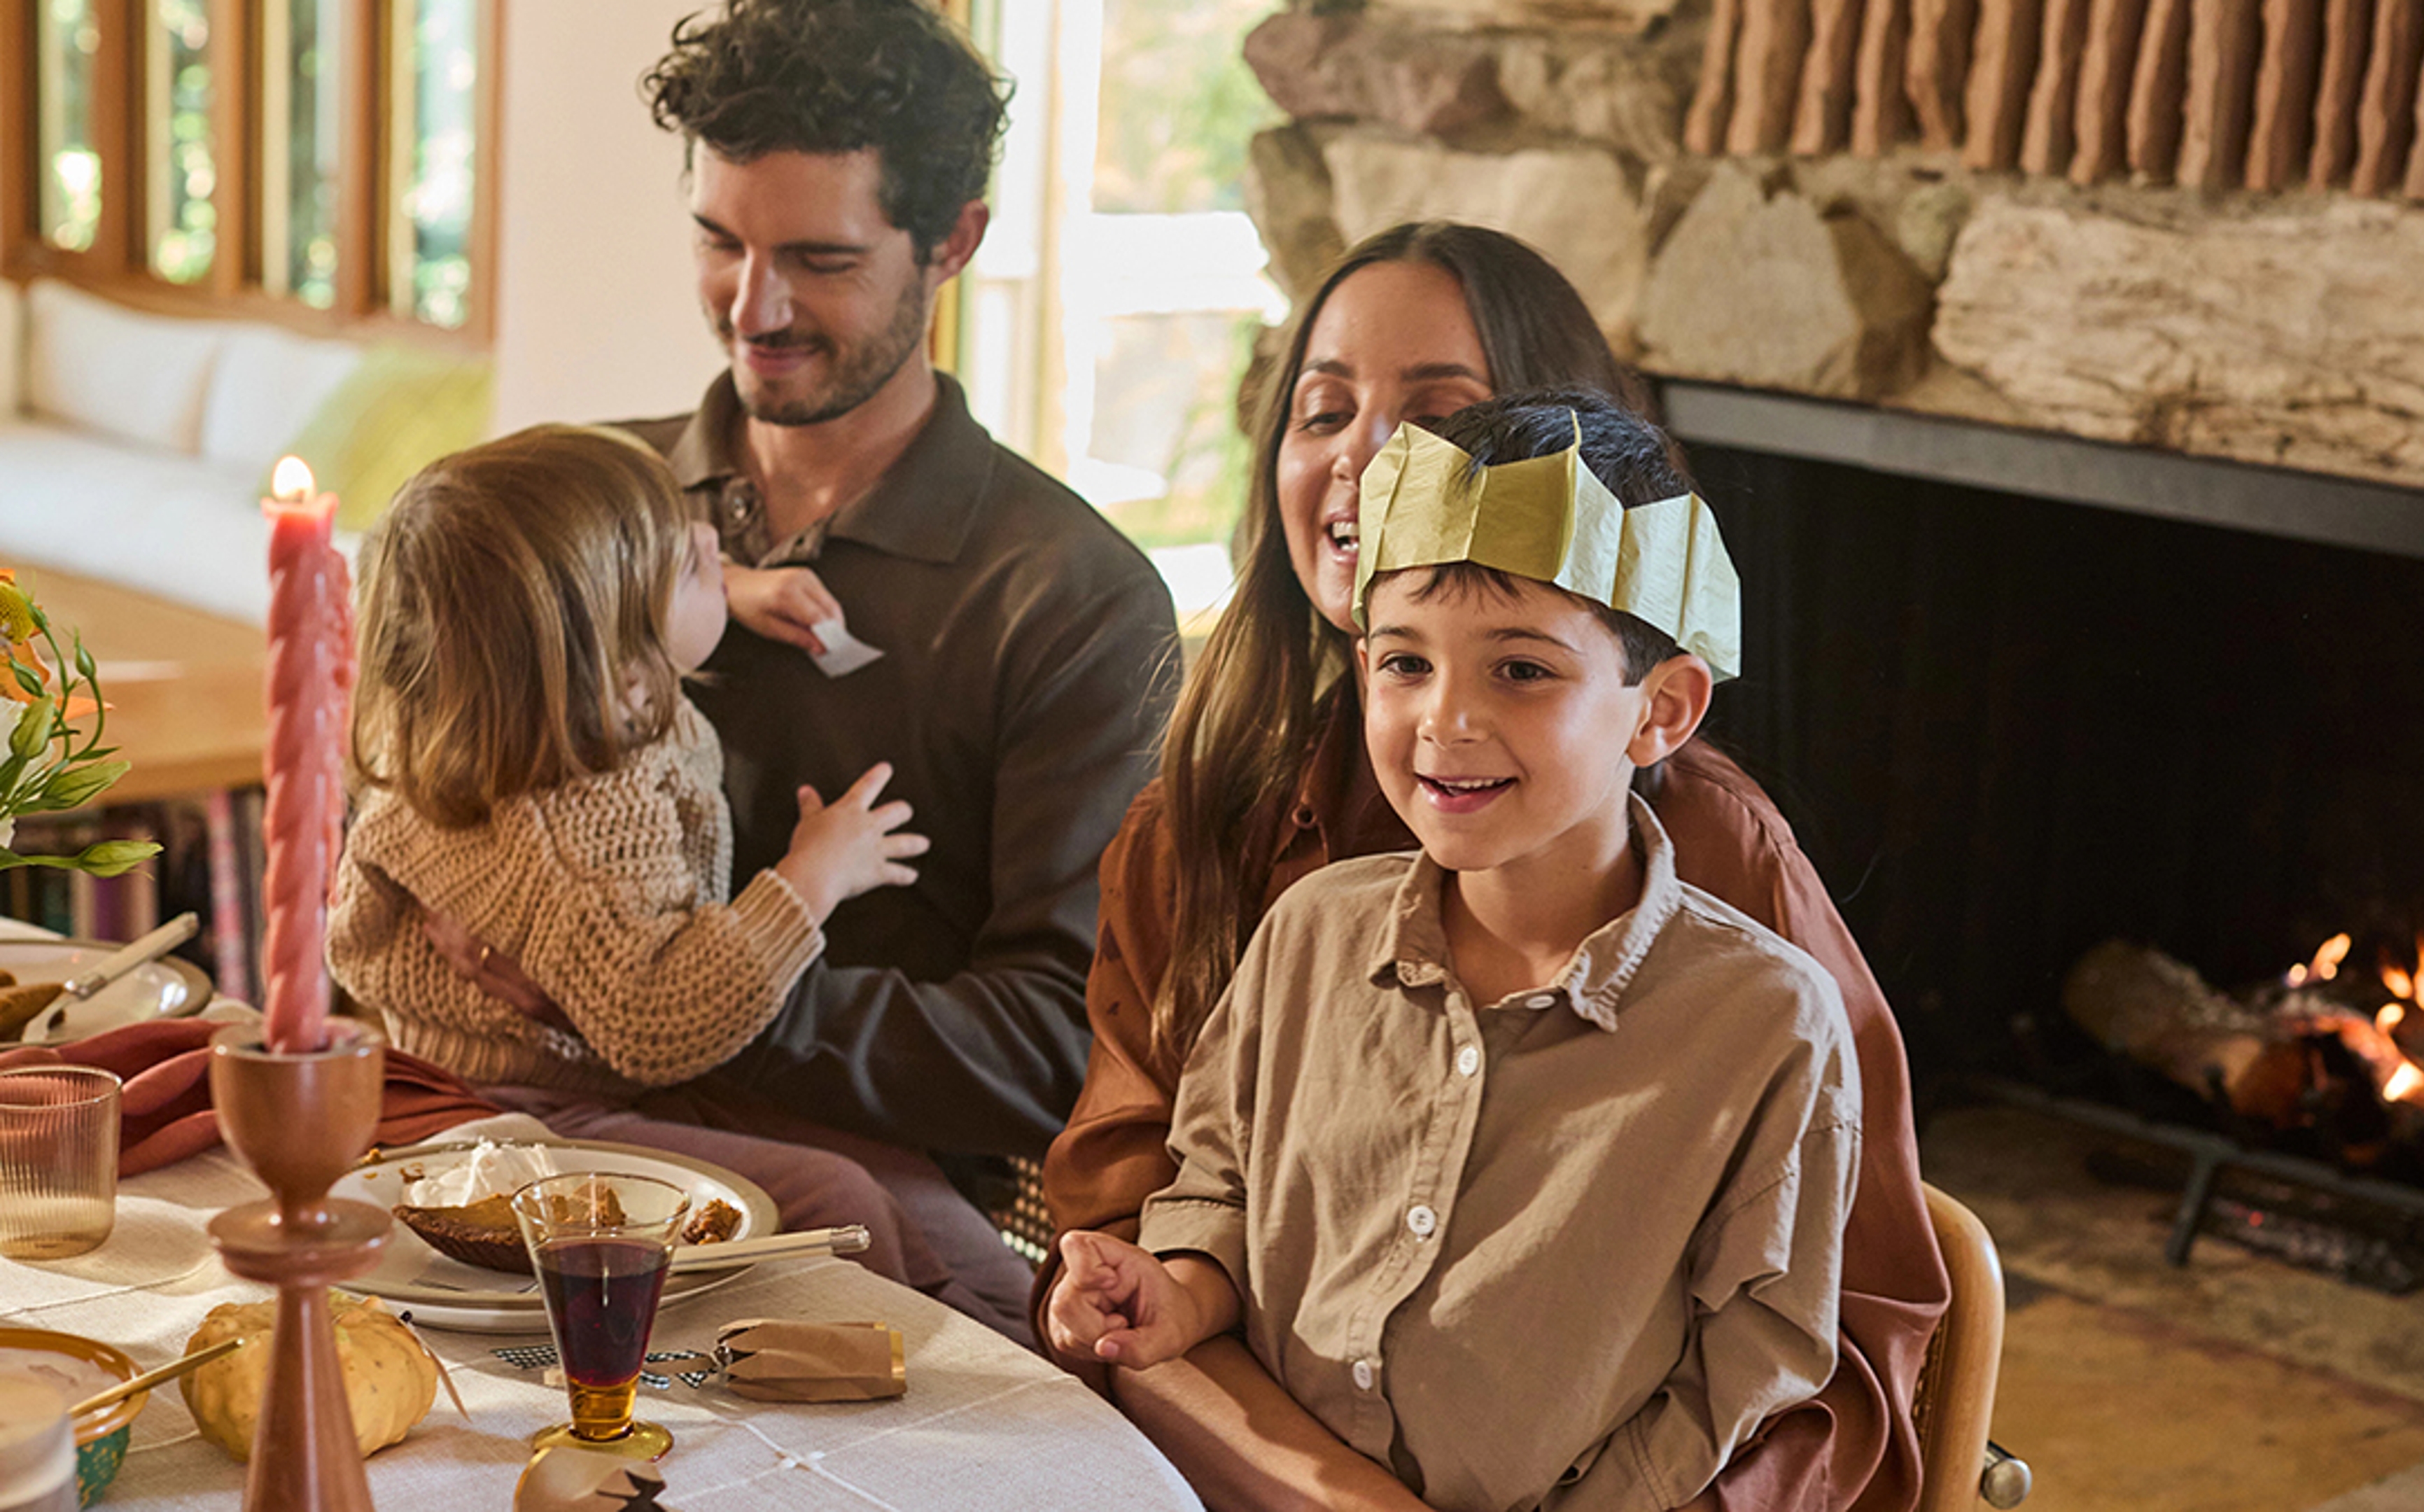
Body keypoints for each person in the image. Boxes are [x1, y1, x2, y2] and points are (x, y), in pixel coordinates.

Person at [1039, 221, 1950, 1511]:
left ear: (1660, 706)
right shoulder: (1231, 852)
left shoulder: (1736, 930)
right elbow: (1168, 1214)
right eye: (1324, 407)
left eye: (1433, 416)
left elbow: (1808, 1346)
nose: (1365, 458)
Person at [559, 0, 1177, 1321]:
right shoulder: (581, 507)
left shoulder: (1072, 601)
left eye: (820, 259)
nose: (754, 306)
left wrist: (678, 992)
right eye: (720, 242)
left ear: (954, 242)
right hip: (511, 1167)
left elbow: (1050, 1049)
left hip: (835, 1269)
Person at [329, 426, 1026, 1336]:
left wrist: (718, 592)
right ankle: (932, 1403)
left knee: (914, 1195)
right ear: (619, 674)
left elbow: (576, 615)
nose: (712, 541)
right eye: (685, 564)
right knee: (839, 1197)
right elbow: (660, 1021)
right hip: (524, 1115)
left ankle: (1021, 1350)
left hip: (598, 1081)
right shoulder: (585, 813)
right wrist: (812, 877)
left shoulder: (526, 707)